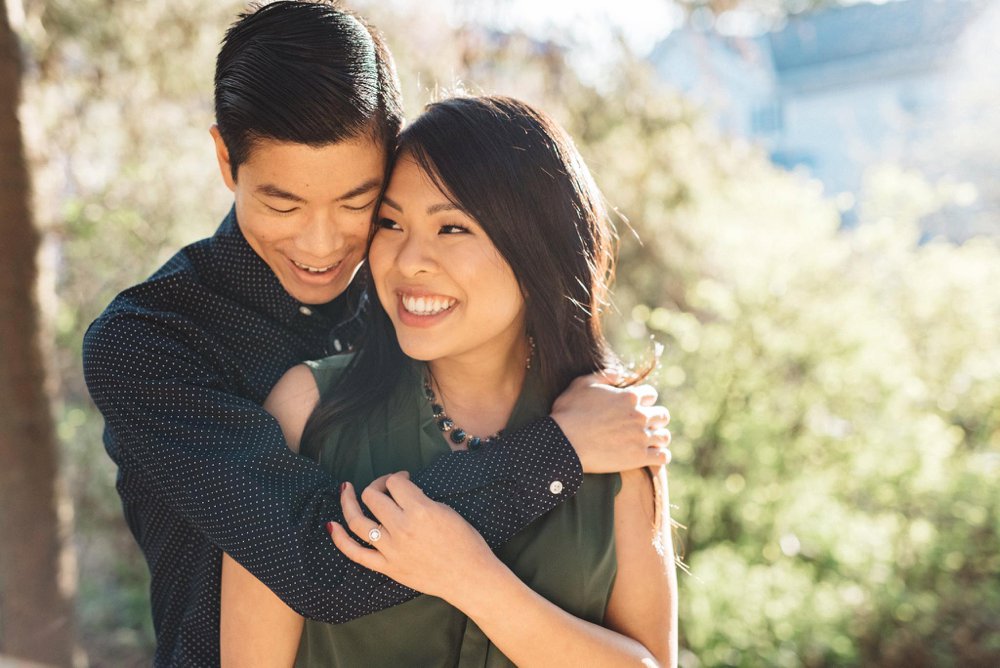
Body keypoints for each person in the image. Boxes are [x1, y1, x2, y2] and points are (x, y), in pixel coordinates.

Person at [81, 3, 671, 665]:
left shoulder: (417, 302)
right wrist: (557, 455)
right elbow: (313, 563)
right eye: (283, 203)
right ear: (225, 159)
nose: (322, 243)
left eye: (360, 202)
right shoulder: (150, 341)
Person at [220, 95, 677, 667]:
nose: (409, 260)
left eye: (452, 227)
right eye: (390, 223)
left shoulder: (615, 432)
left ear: (537, 250)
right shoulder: (308, 413)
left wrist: (472, 579)